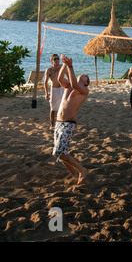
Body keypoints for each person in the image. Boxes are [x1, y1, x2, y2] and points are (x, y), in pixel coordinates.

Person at [52, 54, 90, 185]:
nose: (83, 74)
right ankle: (73, 173)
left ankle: (82, 170)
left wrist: (70, 66)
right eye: (82, 74)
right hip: (59, 123)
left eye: (85, 76)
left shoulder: (84, 90)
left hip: (69, 124)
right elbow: (59, 78)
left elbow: (74, 82)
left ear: (85, 82)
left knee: (60, 152)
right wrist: (63, 64)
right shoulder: (68, 87)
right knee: (57, 153)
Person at [44, 54, 64, 130]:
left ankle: (61, 122)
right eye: (55, 59)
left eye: (58, 58)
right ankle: (52, 125)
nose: (57, 60)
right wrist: (46, 93)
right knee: (53, 108)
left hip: (62, 88)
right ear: (52, 61)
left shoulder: (62, 67)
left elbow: (69, 76)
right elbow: (45, 82)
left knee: (62, 107)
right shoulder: (49, 70)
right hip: (54, 89)